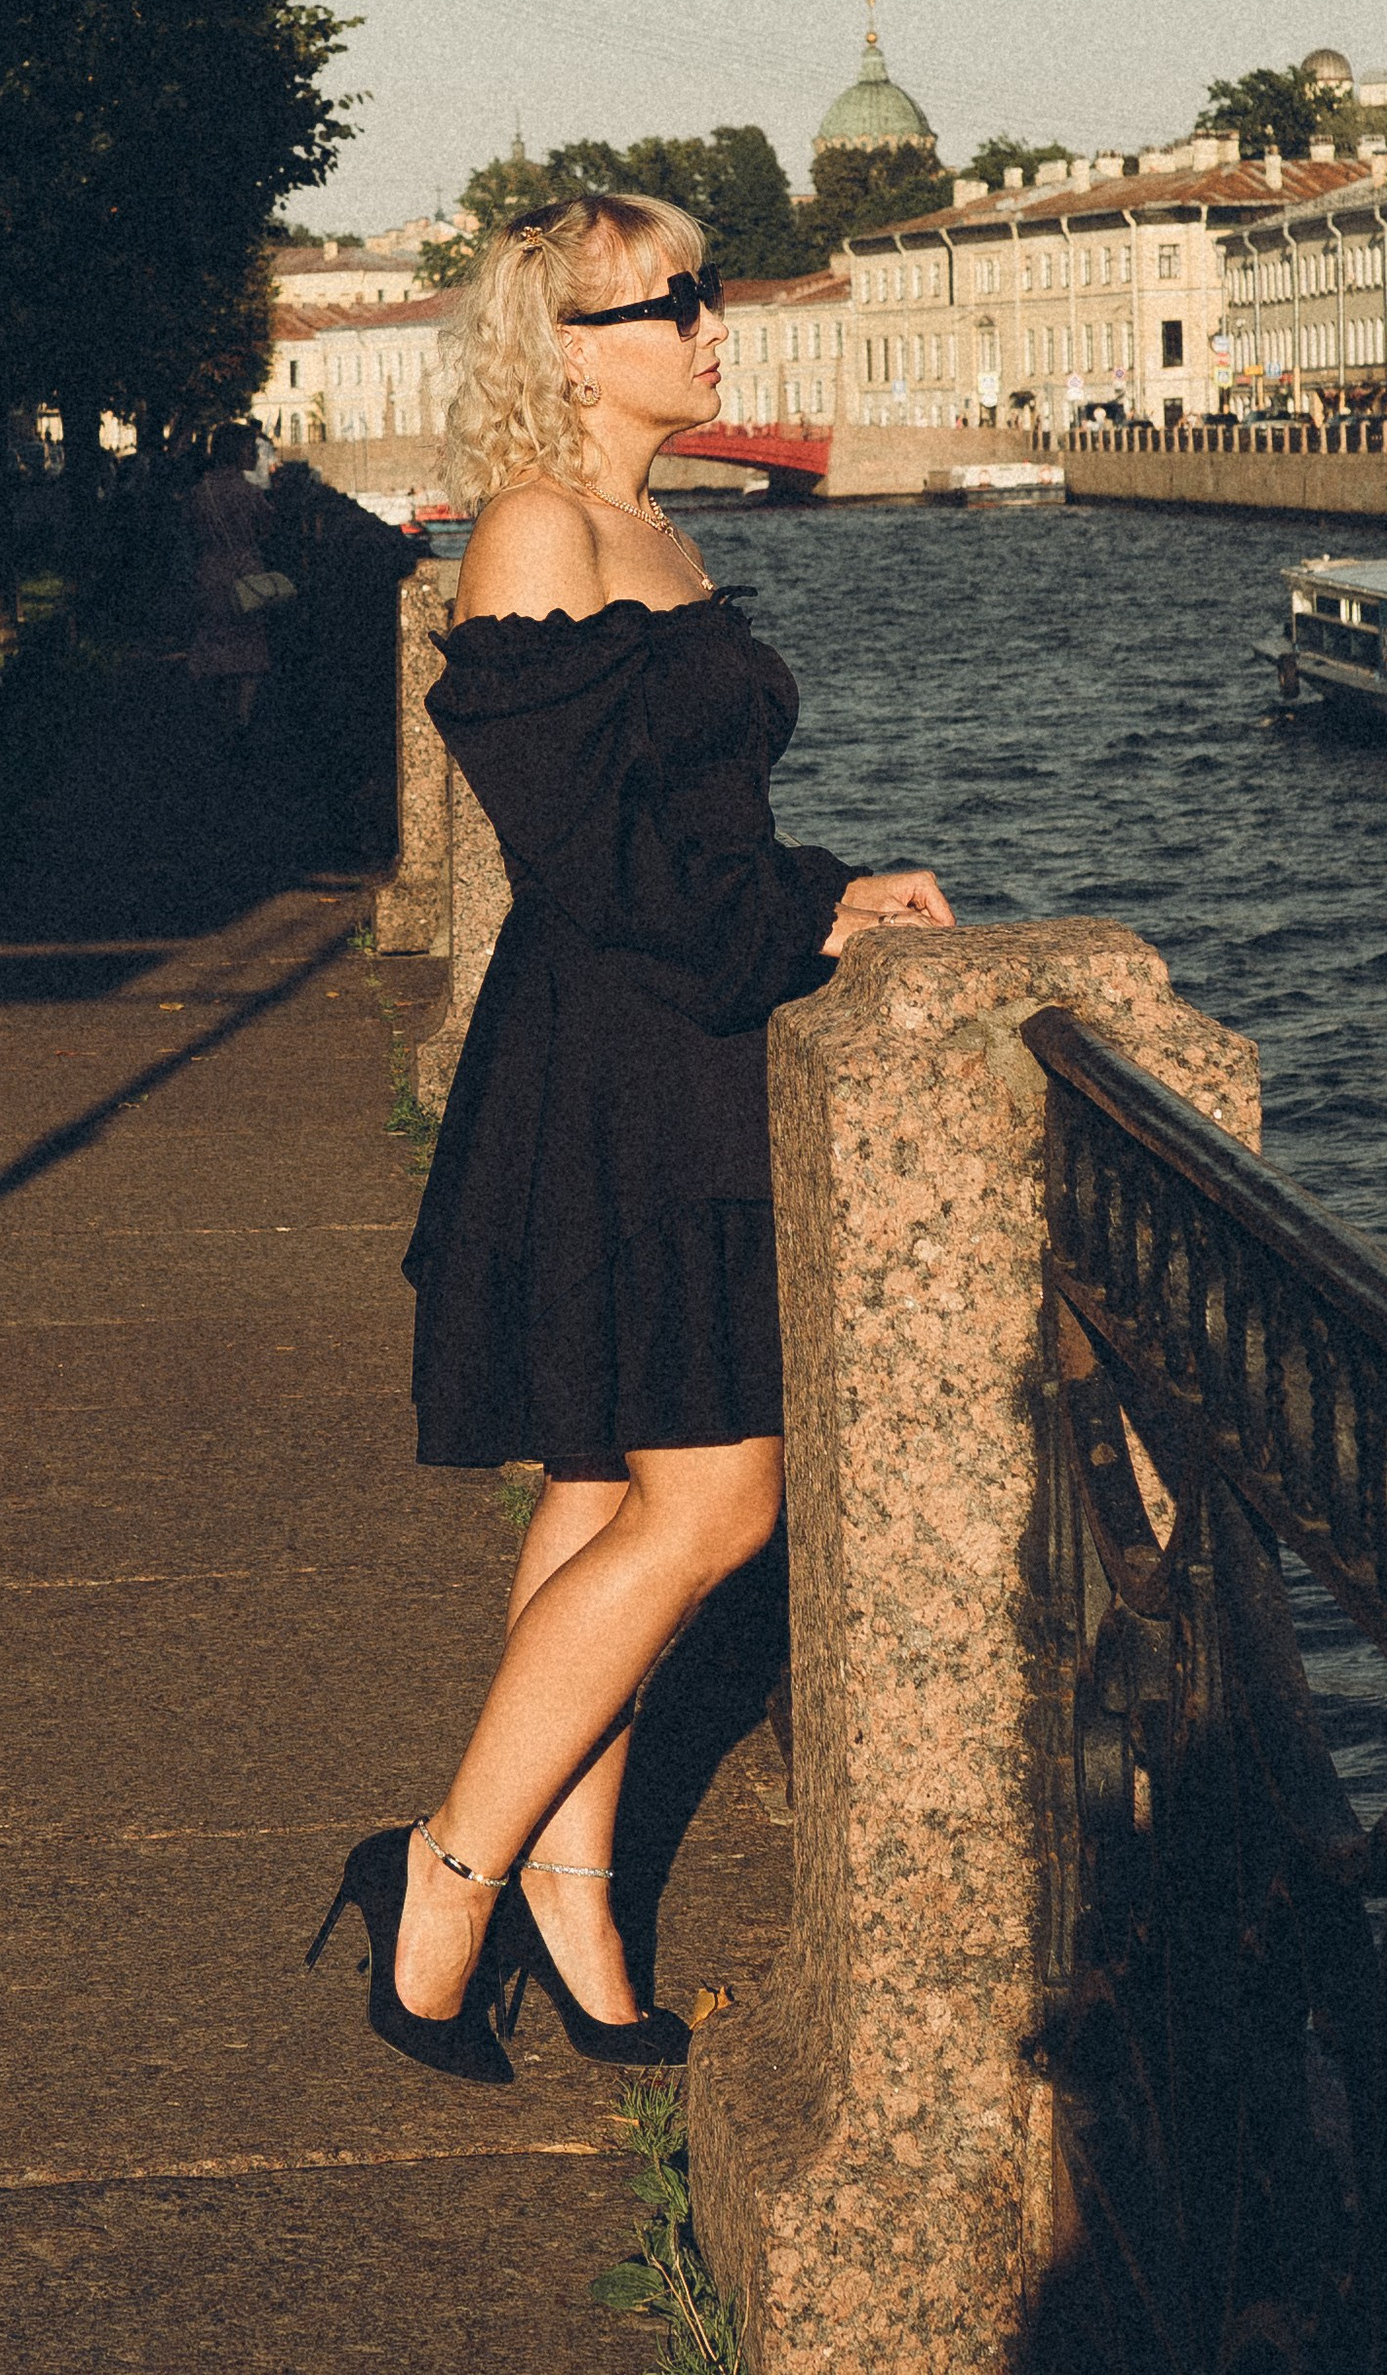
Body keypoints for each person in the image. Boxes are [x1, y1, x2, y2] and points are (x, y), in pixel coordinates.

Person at [307, 194, 950, 2086]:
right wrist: (802, 925)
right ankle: (441, 1871)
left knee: (602, 1486)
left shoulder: (659, 531)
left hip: (690, 1045)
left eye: (713, 293)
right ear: (575, 343)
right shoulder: (536, 531)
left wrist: (836, 888)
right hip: (611, 1063)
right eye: (680, 303)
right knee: (716, 1501)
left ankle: (574, 1898)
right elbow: (589, 872)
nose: (715, 326)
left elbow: (707, 829)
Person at [184, 420, 279, 738]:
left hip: (210, 572)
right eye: (250, 449)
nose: (254, 454)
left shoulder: (200, 491)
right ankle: (241, 718)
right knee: (249, 646)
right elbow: (266, 531)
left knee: (215, 642)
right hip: (245, 571)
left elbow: (192, 532)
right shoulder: (249, 492)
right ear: (237, 452)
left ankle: (217, 714)